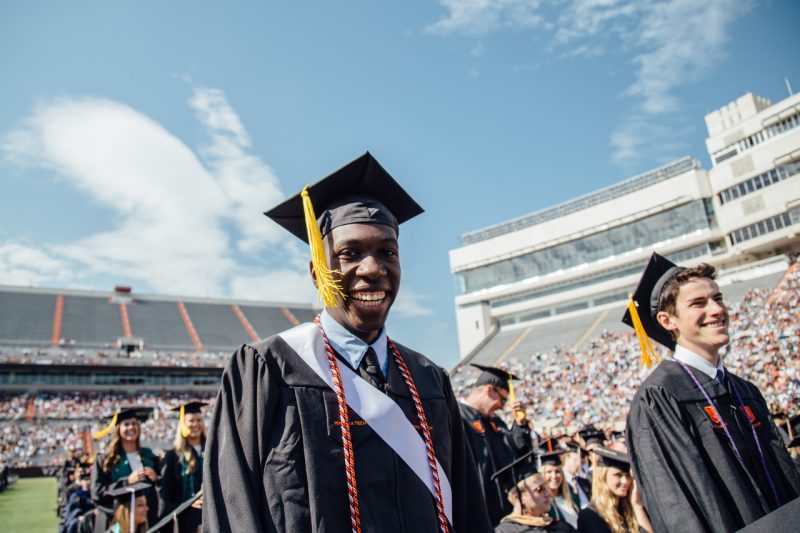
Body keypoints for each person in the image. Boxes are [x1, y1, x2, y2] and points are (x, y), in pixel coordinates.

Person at [203, 152, 491, 532]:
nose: (372, 269)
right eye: (349, 254)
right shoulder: (268, 368)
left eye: (387, 252)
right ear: (317, 272)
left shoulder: (429, 380)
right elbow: (232, 511)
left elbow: (468, 511)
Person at [623, 253, 800, 532]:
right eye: (698, 303)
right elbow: (676, 506)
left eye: (717, 298)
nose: (717, 309)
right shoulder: (658, 398)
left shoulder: (745, 390)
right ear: (667, 320)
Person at [461, 364, 534, 526]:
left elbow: (516, 455)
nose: (502, 406)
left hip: (505, 512)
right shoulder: (457, 417)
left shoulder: (495, 422)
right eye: (503, 399)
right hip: (477, 511)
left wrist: (520, 425)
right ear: (489, 390)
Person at [91, 407, 159, 533]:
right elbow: (97, 493)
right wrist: (126, 482)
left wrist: (156, 478)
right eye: (126, 424)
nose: (131, 427)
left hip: (144, 523)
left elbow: (161, 488)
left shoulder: (148, 455)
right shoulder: (105, 460)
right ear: (118, 429)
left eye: (134, 424)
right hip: (114, 522)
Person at [493, 453, 576, 533]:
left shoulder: (561, 527)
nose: (548, 494)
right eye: (539, 489)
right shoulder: (506, 531)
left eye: (546, 487)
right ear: (518, 498)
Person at [576, 448, 651, 533]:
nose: (625, 481)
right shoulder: (590, 516)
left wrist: (637, 505)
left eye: (627, 476)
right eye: (618, 475)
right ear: (602, 477)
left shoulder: (627, 510)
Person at [159, 401, 206, 533]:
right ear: (183, 425)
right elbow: (166, 495)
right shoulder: (173, 456)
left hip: (212, 515)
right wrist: (188, 505)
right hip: (185, 520)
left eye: (199, 420)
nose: (196, 424)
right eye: (191, 421)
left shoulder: (214, 451)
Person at [538, 450, 579, 528]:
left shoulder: (572, 497)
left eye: (557, 471)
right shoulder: (542, 504)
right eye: (549, 472)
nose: (554, 476)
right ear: (542, 476)